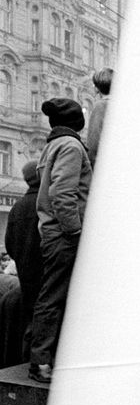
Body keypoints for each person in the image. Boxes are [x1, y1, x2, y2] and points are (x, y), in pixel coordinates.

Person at [28, 98, 92, 383]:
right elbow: (63, 194)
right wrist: (75, 230)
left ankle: (45, 358)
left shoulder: (52, 145)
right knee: (53, 297)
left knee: (52, 296)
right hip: (64, 234)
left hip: (52, 233)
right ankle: (41, 361)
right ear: (78, 122)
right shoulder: (71, 146)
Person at [4, 160, 42, 360]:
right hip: (46, 271)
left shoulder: (17, 207)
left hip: (26, 274)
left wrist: (22, 260)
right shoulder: (47, 202)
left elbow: (9, 244)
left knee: (28, 318)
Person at [86, 67, 114, 168]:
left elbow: (93, 142)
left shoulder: (101, 106)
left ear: (97, 88)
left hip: (105, 167)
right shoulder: (122, 106)